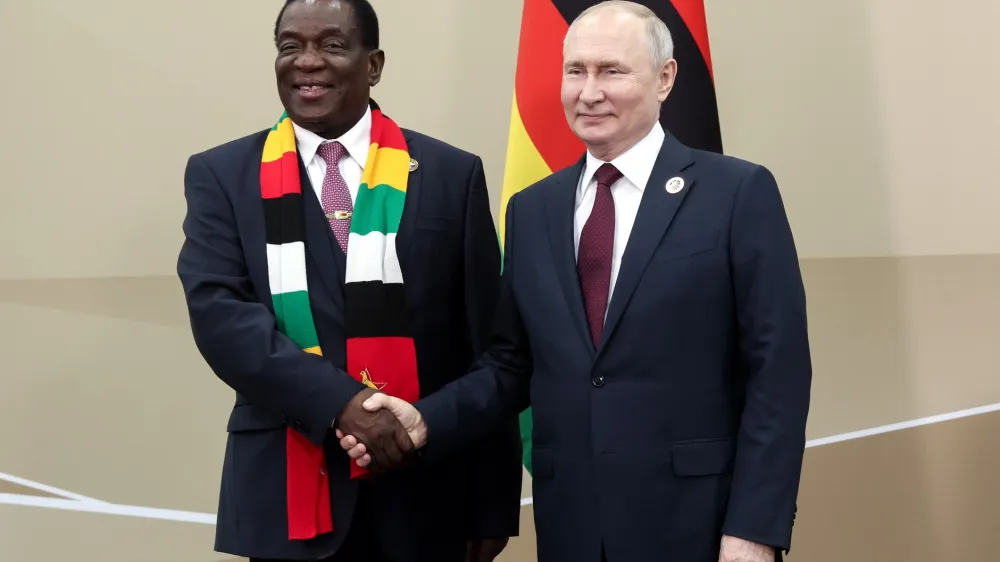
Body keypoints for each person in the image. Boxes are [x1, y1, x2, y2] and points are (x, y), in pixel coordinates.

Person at [336, 2, 812, 562]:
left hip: (698, 527)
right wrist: (425, 420)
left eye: (612, 70)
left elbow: (777, 374)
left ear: (665, 79)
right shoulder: (533, 209)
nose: (588, 92)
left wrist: (755, 529)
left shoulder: (736, 194)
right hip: (573, 528)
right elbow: (512, 364)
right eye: (575, 71)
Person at [175, 0, 522, 560]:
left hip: (426, 496)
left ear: (374, 64)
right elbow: (222, 319)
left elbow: (489, 344)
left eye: (332, 45)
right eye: (290, 46)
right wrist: (343, 404)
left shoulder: (452, 174)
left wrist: (492, 504)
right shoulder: (221, 175)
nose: (306, 62)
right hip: (289, 499)